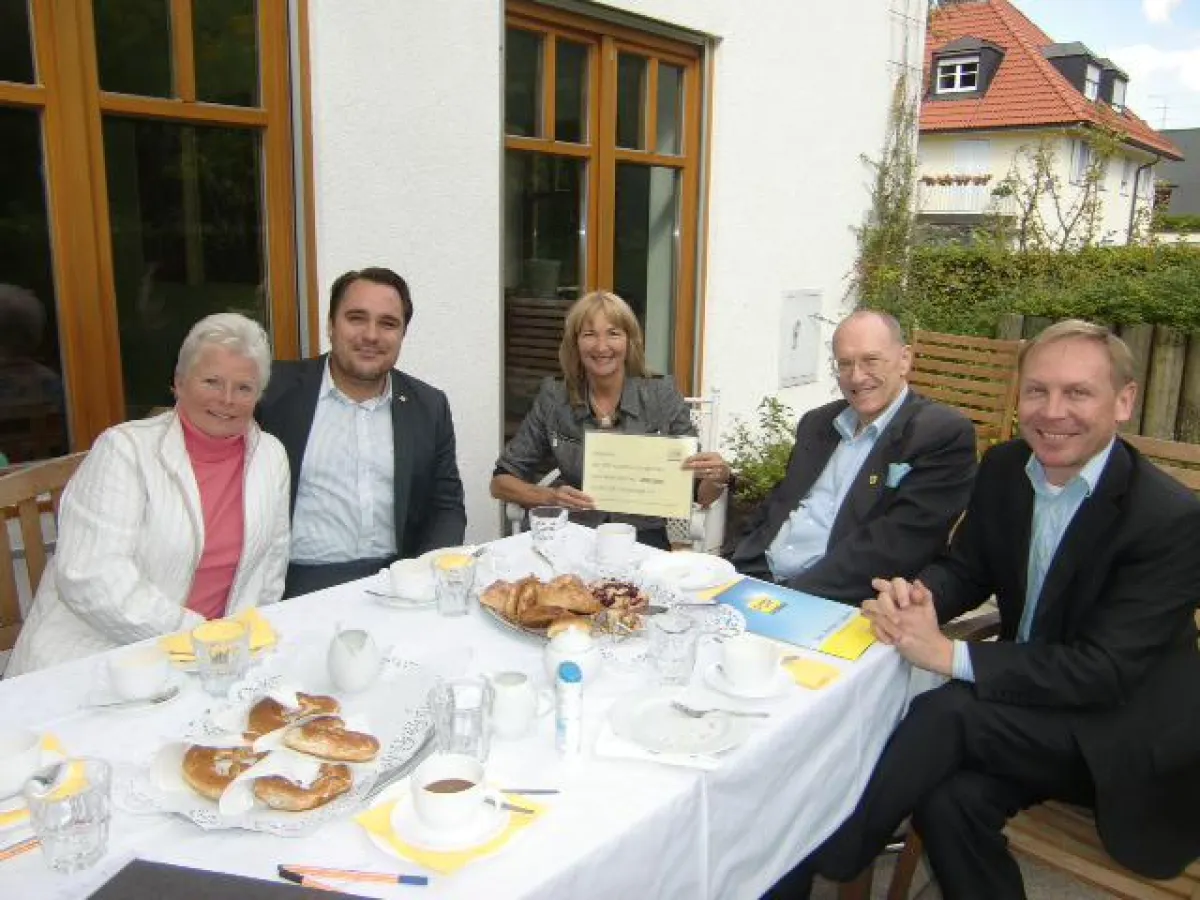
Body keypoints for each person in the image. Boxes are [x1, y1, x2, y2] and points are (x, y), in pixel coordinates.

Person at [774, 320, 1200, 898]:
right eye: (1037, 391)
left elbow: (1103, 672)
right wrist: (918, 597)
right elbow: (967, 566)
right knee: (949, 802)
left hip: (1124, 737)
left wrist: (951, 654)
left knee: (948, 711)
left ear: (1124, 401)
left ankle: (830, 851)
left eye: (1077, 393)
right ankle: (826, 846)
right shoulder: (1007, 469)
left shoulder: (1169, 519)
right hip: (1032, 710)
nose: (1052, 412)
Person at [5, 313, 290, 677]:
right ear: (179, 383)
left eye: (244, 388)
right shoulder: (124, 451)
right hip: (99, 663)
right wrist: (194, 635)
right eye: (212, 382)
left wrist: (239, 645)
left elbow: (271, 567)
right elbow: (90, 575)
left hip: (216, 660)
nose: (227, 399)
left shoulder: (271, 456)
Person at [729, 310, 977, 604]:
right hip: (757, 578)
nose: (857, 376)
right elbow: (779, 504)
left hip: (830, 601)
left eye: (871, 360)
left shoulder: (939, 434)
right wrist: (732, 561)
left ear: (904, 360)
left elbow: (897, 546)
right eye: (845, 364)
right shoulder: (818, 424)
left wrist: (788, 597)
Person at [256, 267, 466, 598]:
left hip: (396, 581)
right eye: (356, 318)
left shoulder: (429, 406)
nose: (371, 335)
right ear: (330, 325)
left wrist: (426, 575)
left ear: (402, 334)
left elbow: (446, 505)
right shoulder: (273, 392)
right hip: (295, 585)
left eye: (388, 323)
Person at [490, 290, 730, 550]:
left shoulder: (662, 395)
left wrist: (718, 476)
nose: (601, 346)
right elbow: (501, 481)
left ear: (630, 341)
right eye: (589, 334)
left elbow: (699, 494)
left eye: (613, 333)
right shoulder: (554, 397)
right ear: (575, 344)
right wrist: (549, 496)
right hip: (573, 534)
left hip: (641, 539)